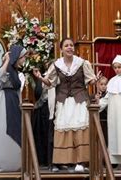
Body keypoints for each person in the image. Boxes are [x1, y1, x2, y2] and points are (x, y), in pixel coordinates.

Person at [34, 38, 97, 173]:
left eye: (71, 45)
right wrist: (40, 77)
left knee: (80, 130)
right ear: (61, 49)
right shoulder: (57, 65)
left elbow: (90, 80)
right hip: (63, 101)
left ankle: (80, 162)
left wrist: (94, 80)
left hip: (79, 100)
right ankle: (65, 161)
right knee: (64, 131)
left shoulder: (82, 63)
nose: (69, 48)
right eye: (66, 46)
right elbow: (49, 82)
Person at [94, 75, 109, 143]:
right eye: (101, 84)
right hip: (98, 121)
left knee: (105, 139)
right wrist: (96, 100)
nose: (103, 86)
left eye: (105, 84)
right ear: (98, 85)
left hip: (106, 121)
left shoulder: (108, 95)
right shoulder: (94, 95)